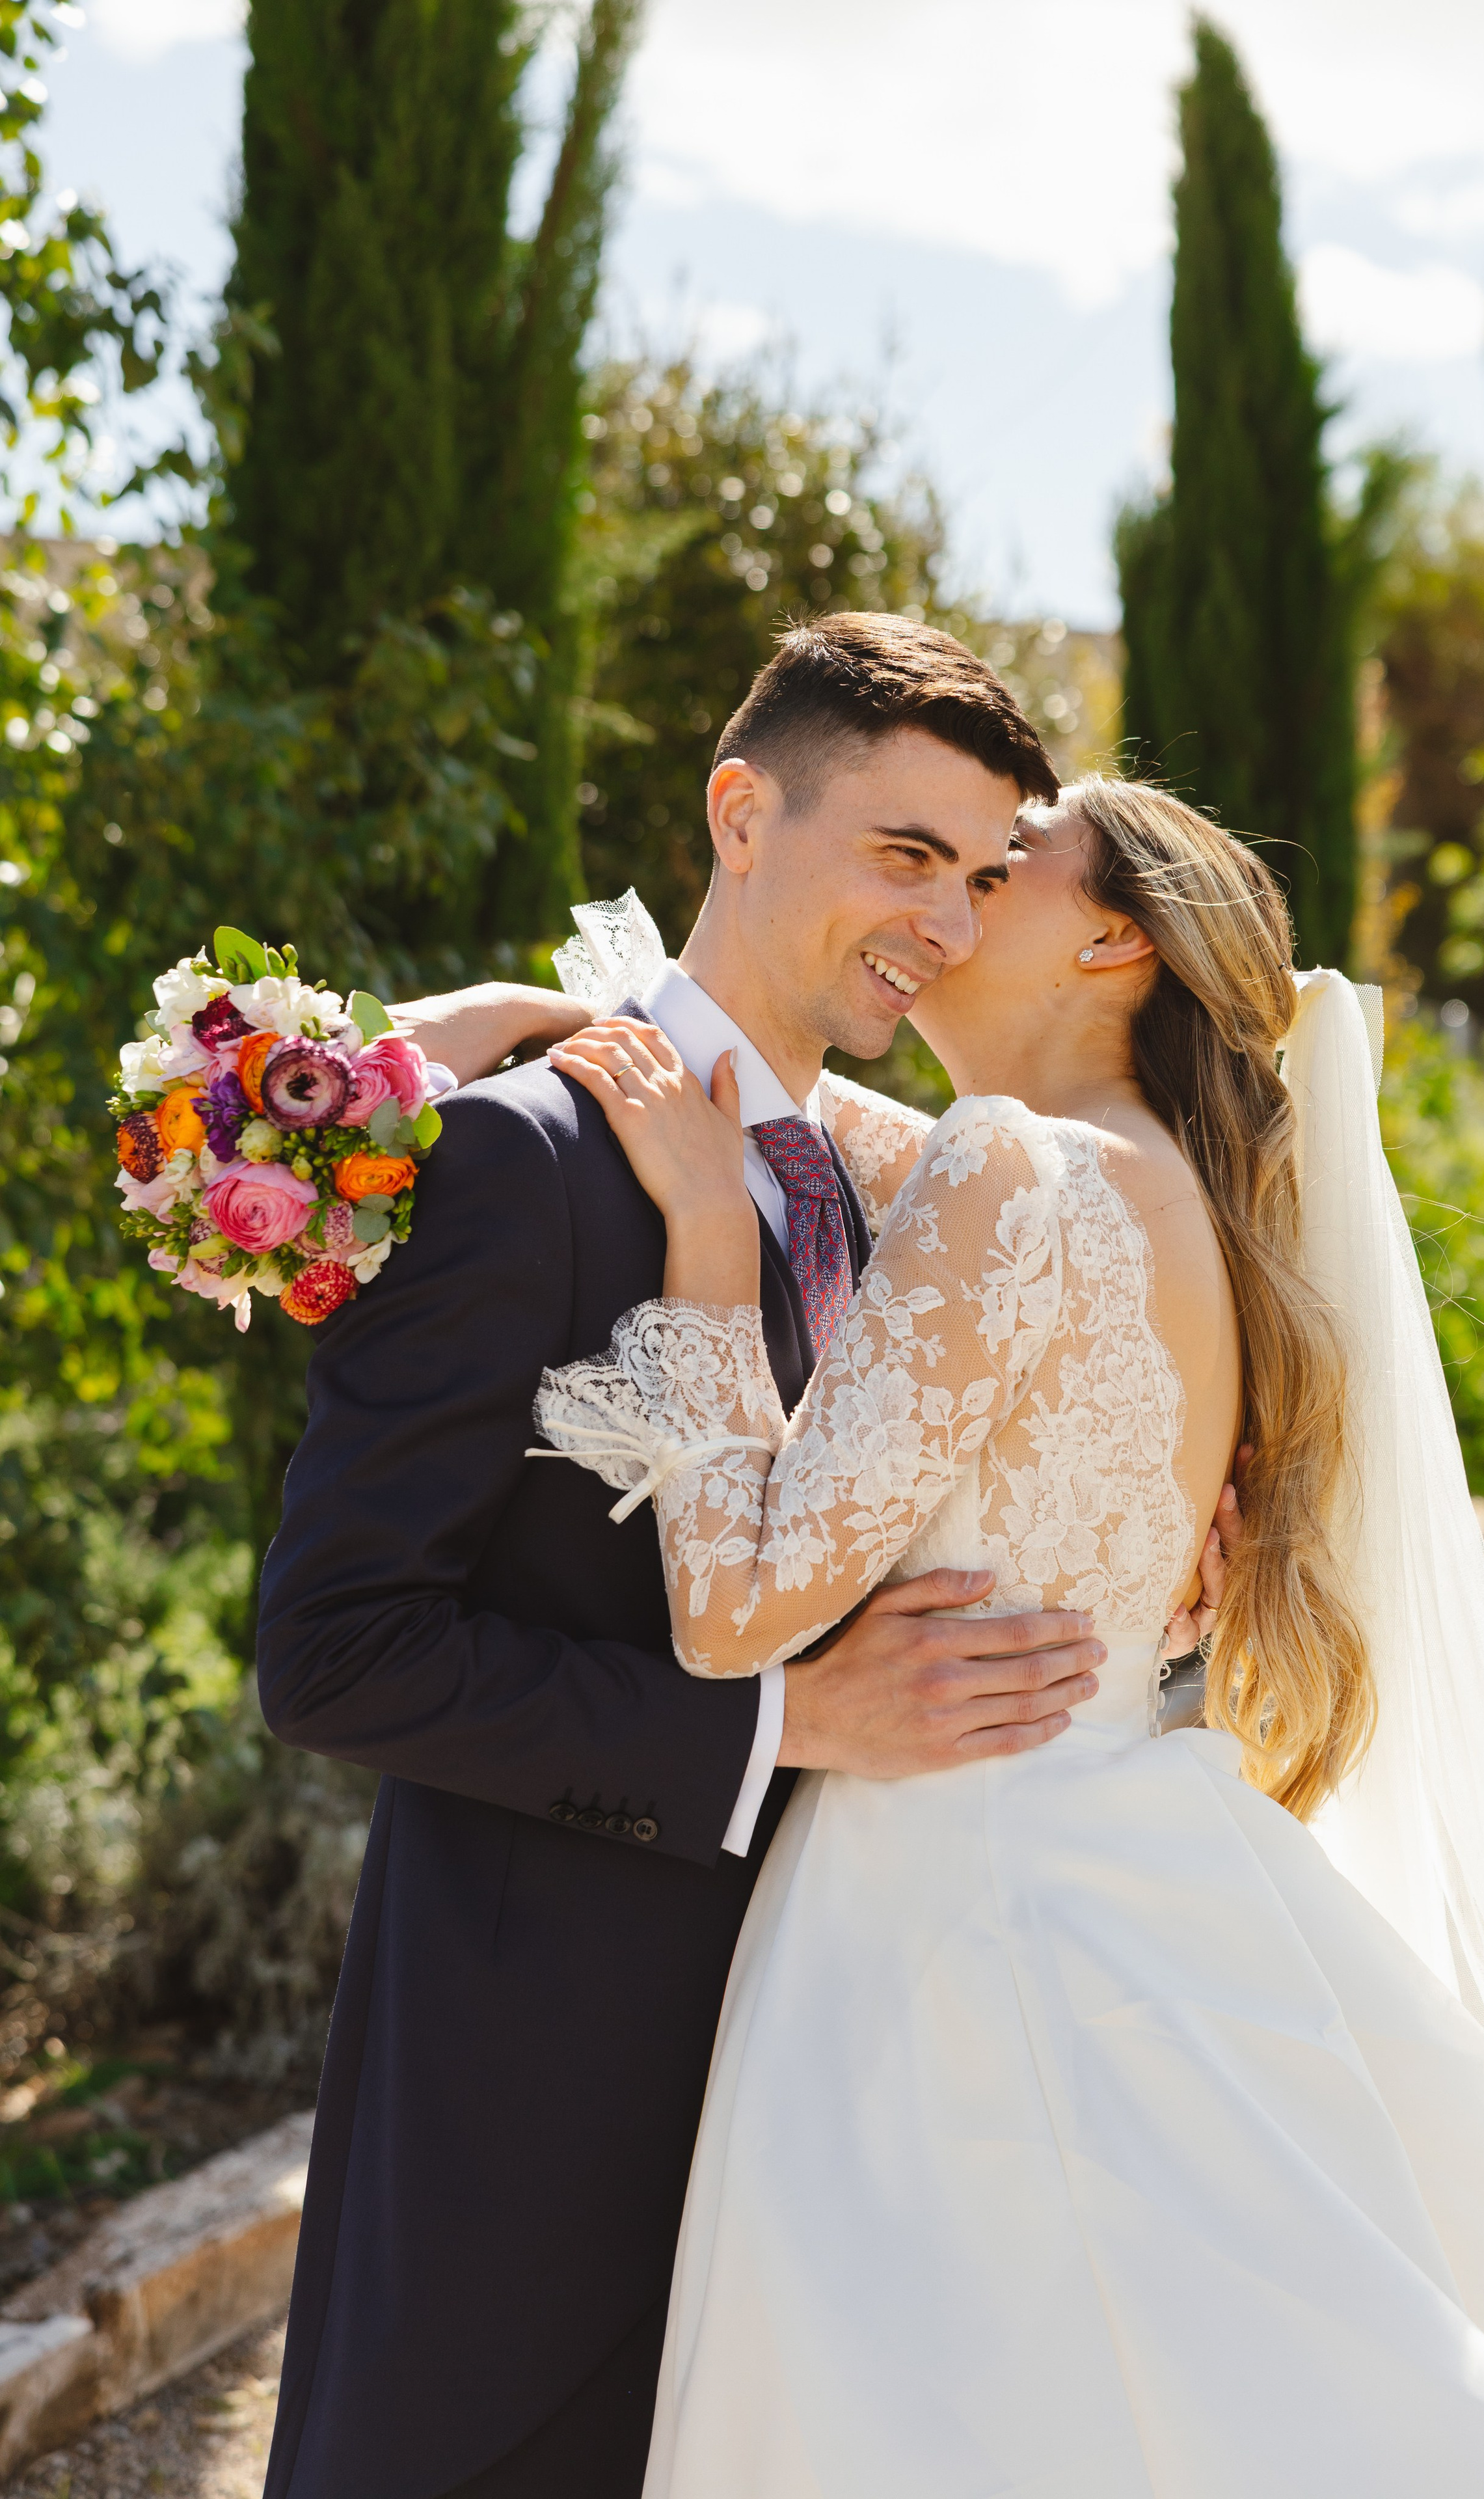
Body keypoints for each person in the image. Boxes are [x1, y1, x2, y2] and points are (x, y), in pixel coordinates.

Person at [533, 775, 1484, 2495]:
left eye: (1003, 871)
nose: (946, 911)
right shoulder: (1169, 1196)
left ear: (1110, 935)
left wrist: (702, 1239)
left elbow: (735, 1611)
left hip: (954, 1905)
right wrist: (511, 1020)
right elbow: (789, 1098)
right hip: (1145, 1830)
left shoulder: (1007, 1163)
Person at [256, 616, 1235, 2499]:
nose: (948, 923)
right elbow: (339, 1649)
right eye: (904, 858)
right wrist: (774, 1723)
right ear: (737, 812)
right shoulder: (520, 1163)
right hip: (537, 2104)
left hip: (861, 2070)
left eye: (980, 877)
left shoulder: (906, 1178)